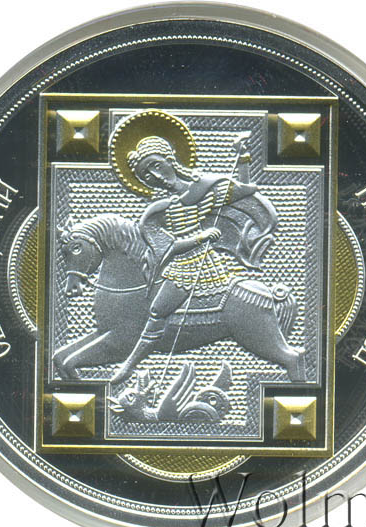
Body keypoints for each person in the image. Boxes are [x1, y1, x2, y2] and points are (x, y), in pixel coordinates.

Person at [111, 136, 260, 384]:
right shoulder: (159, 210)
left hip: (200, 266)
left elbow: (245, 190)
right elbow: (167, 247)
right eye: (147, 176)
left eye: (156, 165)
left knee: (157, 311)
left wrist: (243, 157)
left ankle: (128, 366)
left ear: (170, 159)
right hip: (182, 262)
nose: (155, 176)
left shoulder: (205, 189)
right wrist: (200, 237)